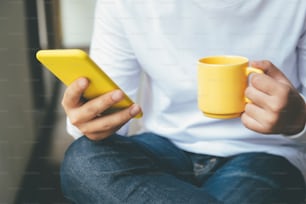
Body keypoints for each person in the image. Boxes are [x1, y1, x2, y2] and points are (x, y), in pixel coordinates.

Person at [60, 0, 306, 203]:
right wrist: (88, 119)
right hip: (164, 146)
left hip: (265, 155)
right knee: (84, 161)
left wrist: (297, 119)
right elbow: (110, 119)